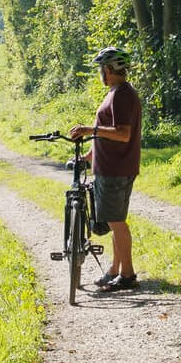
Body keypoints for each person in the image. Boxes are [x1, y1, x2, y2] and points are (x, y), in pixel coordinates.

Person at [69, 46, 142, 292]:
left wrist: (89, 130)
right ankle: (114, 270)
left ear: (109, 70)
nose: (100, 73)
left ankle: (128, 274)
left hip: (115, 169)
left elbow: (122, 134)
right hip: (111, 166)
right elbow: (107, 134)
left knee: (117, 223)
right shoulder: (116, 92)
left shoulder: (122, 95)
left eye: (102, 68)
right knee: (114, 222)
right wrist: (90, 156)